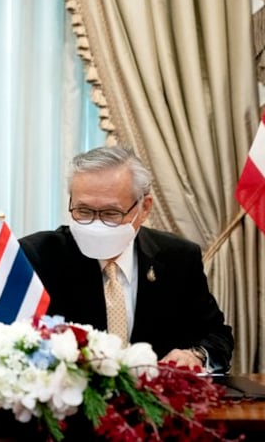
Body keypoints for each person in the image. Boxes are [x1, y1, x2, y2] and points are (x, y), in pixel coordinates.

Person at [19, 146, 233, 372]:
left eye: (111, 213)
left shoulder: (178, 257)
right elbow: (9, 342)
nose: (96, 224)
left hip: (157, 401)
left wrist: (195, 355)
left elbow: (217, 335)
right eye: (83, 211)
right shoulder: (38, 256)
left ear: (144, 208)